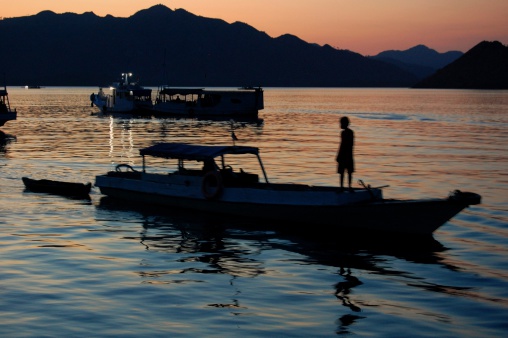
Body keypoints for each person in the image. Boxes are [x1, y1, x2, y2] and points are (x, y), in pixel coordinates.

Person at [336, 116, 354, 191]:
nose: (340, 125)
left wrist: (339, 155)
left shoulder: (347, 133)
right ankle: (346, 187)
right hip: (347, 155)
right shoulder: (346, 133)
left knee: (345, 172)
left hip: (345, 155)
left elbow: (343, 145)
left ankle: (344, 187)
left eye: (341, 123)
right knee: (346, 172)